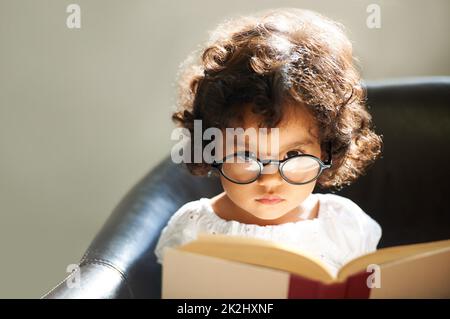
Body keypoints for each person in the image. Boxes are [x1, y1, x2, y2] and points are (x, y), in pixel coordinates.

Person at [155, 8, 383, 276]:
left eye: (293, 154)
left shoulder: (344, 225)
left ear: (326, 149)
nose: (270, 179)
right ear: (212, 149)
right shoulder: (193, 228)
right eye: (245, 155)